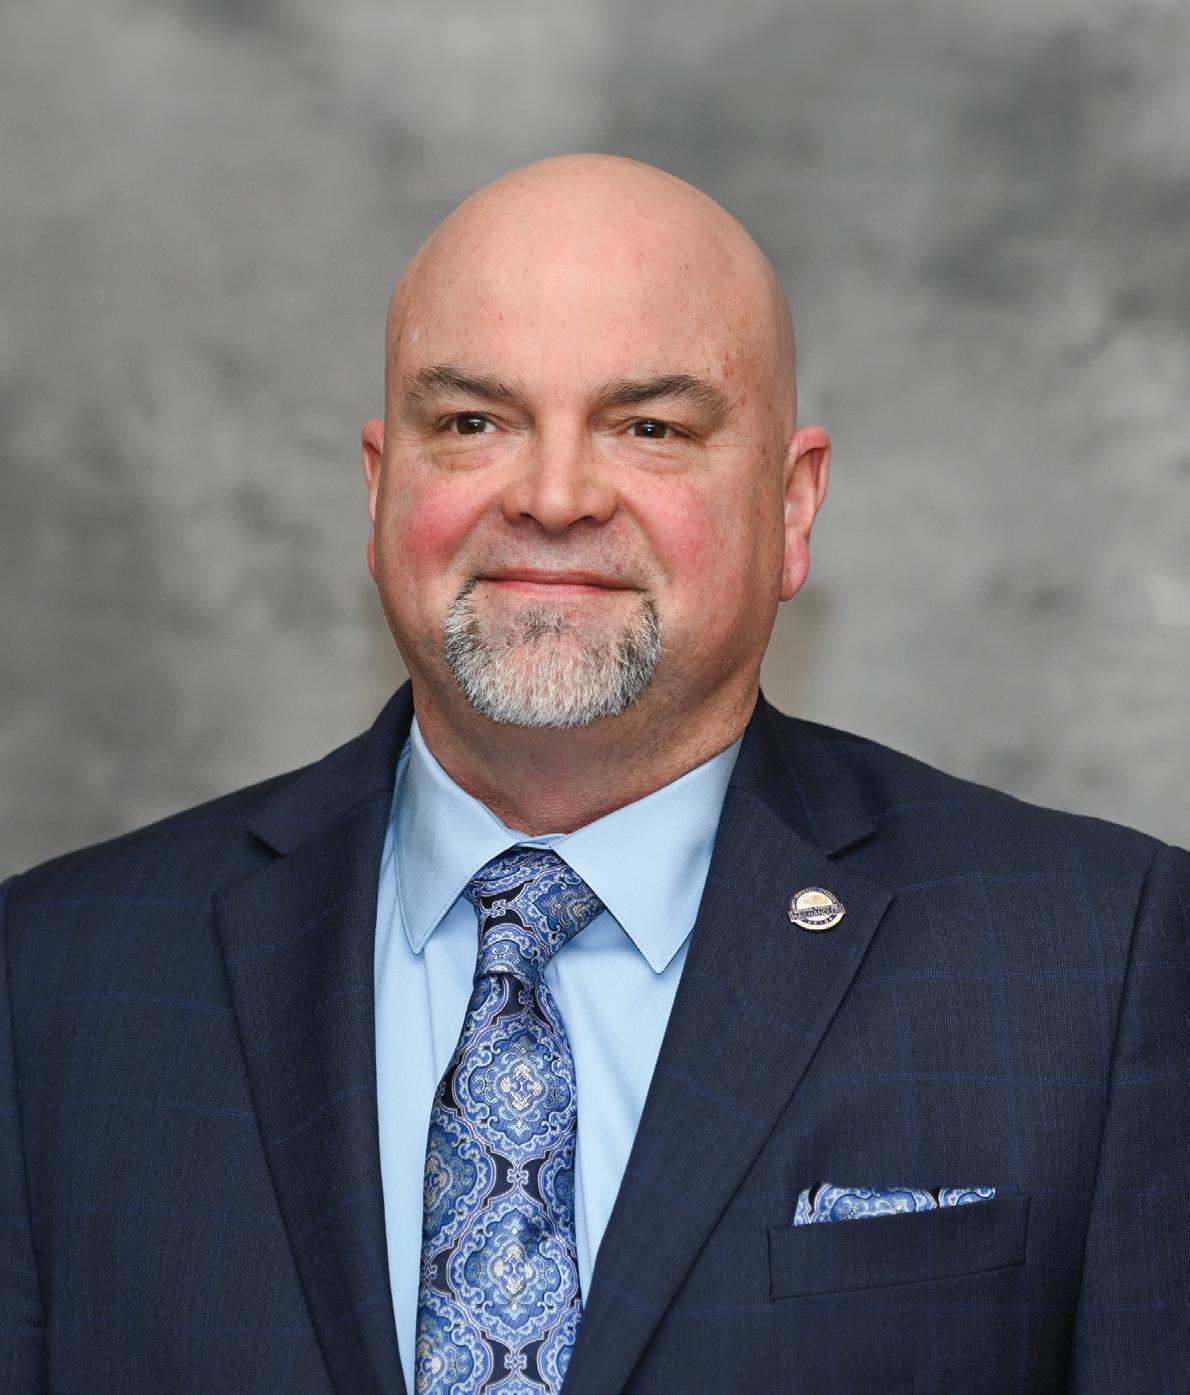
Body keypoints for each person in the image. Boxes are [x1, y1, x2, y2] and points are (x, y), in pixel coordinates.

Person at [1, 155, 1185, 1395]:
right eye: (473, 423)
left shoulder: (1095, 968)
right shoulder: (53, 980)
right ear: (379, 487)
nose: (555, 497)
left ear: (791, 509)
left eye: (649, 428)